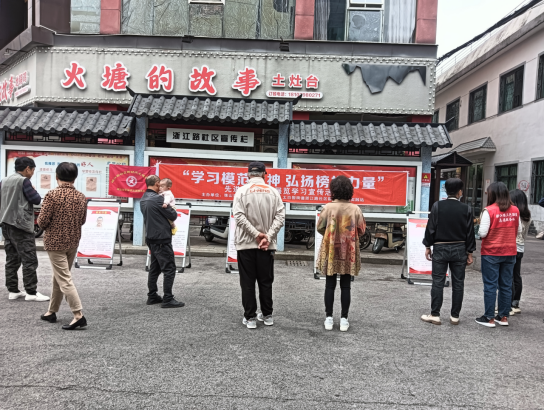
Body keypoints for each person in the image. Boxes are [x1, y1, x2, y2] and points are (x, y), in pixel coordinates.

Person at [233, 162, 285, 329]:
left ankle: (250, 318)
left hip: (246, 244)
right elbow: (280, 217)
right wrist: (267, 237)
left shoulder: (241, 191)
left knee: (247, 282)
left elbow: (238, 216)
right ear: (264, 174)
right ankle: (267, 315)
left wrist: (256, 234)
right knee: (266, 281)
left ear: (248, 174)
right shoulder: (274, 192)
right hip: (266, 246)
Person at [37, 163, 88, 330]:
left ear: (57, 176)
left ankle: (78, 315)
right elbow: (82, 220)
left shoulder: (52, 195)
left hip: (55, 242)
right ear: (75, 178)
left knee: (64, 279)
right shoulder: (81, 196)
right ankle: (51, 311)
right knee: (59, 276)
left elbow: (42, 221)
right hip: (72, 241)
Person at [420, 178, 476, 326]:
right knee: (458, 283)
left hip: (440, 248)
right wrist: (470, 252)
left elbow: (431, 228)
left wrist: (428, 246)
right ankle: (455, 316)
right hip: (460, 248)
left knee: (438, 282)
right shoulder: (466, 208)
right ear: (459, 192)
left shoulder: (437, 206)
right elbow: (470, 232)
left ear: (446, 191)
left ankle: (435, 314)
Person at [316, 175, 366, 332]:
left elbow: (320, 227)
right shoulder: (355, 209)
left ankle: (329, 318)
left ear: (333, 190)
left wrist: (331, 234)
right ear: (349, 190)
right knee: (346, 286)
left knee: (329, 285)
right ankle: (344, 319)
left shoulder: (328, 208)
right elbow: (361, 229)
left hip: (332, 249)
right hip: (349, 250)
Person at [0, 156, 50, 302]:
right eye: (33, 170)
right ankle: (31, 292)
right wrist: (33, 190)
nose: (33, 173)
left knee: (12, 258)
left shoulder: (4, 181)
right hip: (20, 225)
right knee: (29, 259)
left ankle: (13, 290)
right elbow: (36, 199)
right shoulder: (24, 181)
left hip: (6, 224)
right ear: (27, 168)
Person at [476, 182, 521, 328]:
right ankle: (503, 317)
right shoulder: (515, 210)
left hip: (491, 252)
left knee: (490, 285)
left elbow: (482, 233)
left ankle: (489, 317)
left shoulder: (489, 210)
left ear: (493, 194)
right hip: (510, 251)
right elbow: (519, 230)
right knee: (506, 285)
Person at [141, 175, 184, 308]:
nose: (160, 186)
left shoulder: (143, 198)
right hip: (161, 238)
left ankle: (152, 295)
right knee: (169, 268)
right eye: (159, 184)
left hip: (151, 237)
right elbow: (173, 215)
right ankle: (168, 298)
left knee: (155, 267)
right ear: (157, 183)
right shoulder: (158, 199)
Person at [509, 189, 531, 315]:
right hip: (521, 247)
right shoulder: (527, 215)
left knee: (508, 276)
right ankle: (515, 303)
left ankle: (508, 303)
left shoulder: (514, 214)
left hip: (512, 246)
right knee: (516, 275)